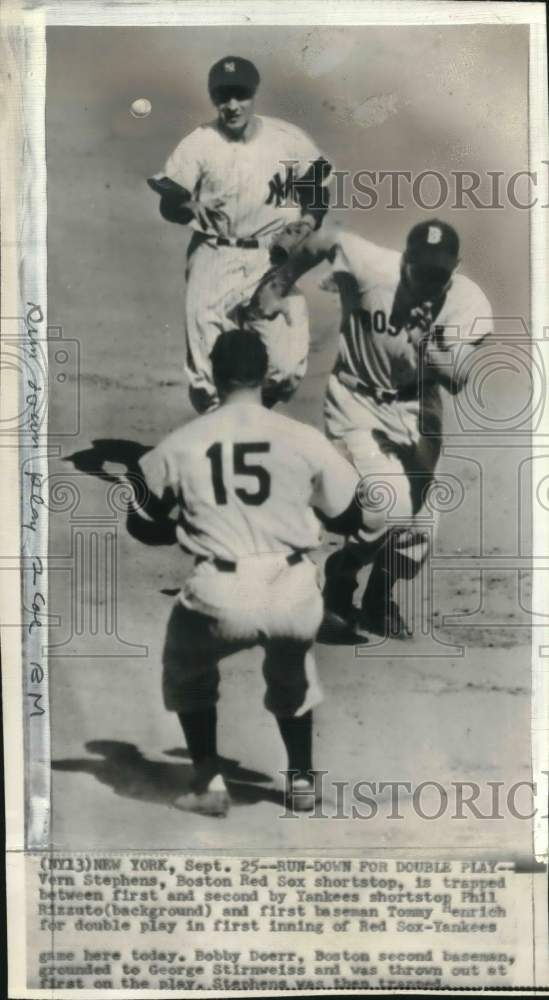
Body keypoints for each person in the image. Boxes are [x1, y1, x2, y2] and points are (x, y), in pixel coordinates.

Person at [128, 329, 381, 817]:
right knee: (293, 669)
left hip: (219, 592)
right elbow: (351, 518)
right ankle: (302, 780)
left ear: (214, 376)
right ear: (266, 376)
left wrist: (185, 523)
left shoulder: (183, 442)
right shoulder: (303, 438)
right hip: (290, 588)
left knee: (186, 667)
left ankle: (208, 782)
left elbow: (142, 524)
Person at [240, 217, 493, 638]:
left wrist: (426, 341)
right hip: (356, 403)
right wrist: (279, 284)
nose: (428, 281)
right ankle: (339, 583)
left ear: (456, 268)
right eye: (420, 270)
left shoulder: (465, 300)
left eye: (439, 274)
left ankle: (378, 600)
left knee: (421, 528)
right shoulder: (370, 265)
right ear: (404, 260)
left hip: (417, 407)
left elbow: (458, 377)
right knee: (387, 504)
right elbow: (323, 241)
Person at [148, 55, 331, 412]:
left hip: (270, 261)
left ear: (253, 94)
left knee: (284, 369)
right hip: (214, 258)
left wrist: (308, 222)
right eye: (223, 96)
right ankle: (225, 430)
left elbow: (317, 193)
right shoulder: (199, 143)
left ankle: (250, 416)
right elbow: (168, 203)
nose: (232, 105)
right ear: (213, 97)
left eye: (240, 95)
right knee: (207, 379)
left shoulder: (287, 140)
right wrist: (187, 205)